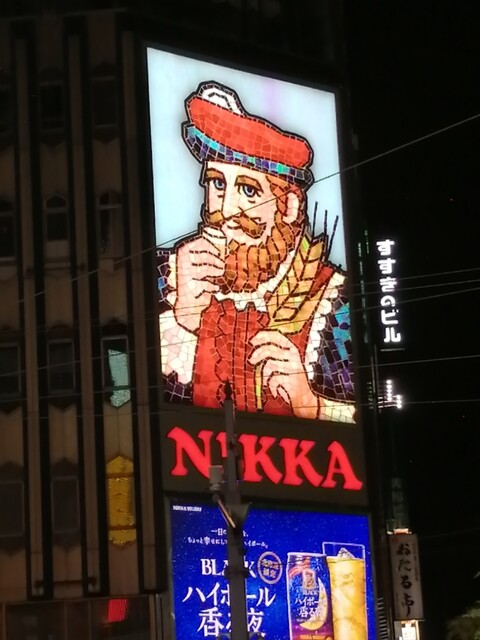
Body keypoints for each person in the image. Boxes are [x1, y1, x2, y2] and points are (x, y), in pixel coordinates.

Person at [157, 81, 355, 423]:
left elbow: (380, 416)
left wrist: (313, 405)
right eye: (217, 184)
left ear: (289, 206)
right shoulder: (163, 276)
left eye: (248, 190)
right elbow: (119, 388)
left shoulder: (338, 303)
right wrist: (181, 321)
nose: (227, 209)